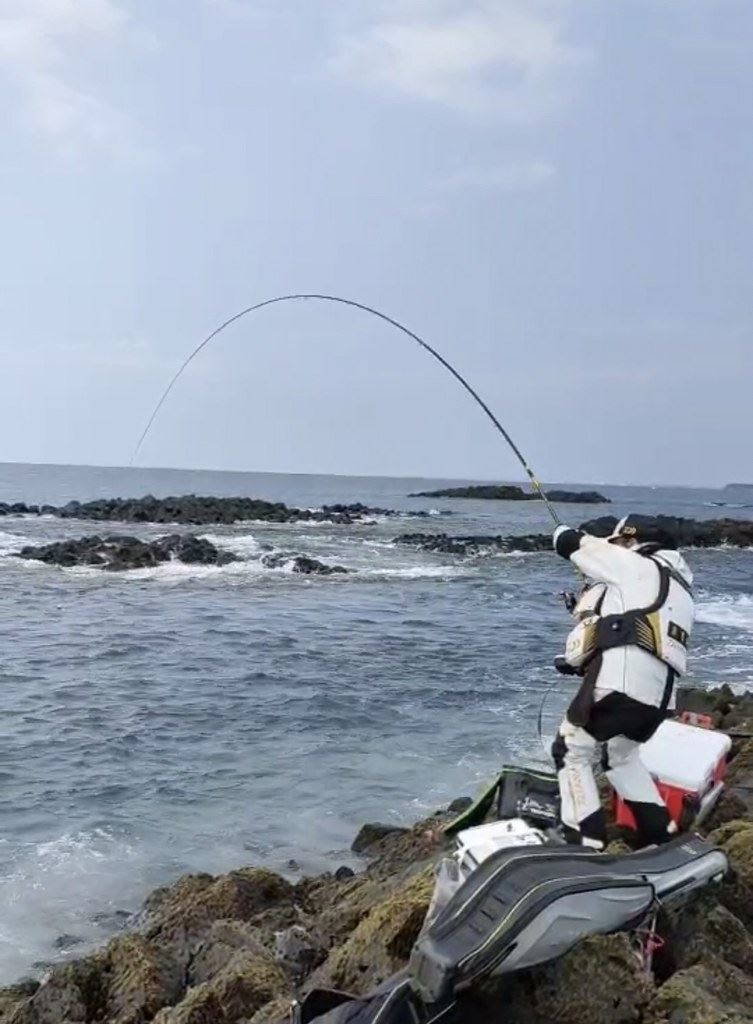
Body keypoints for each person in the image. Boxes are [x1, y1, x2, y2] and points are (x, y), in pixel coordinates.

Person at [551, 514, 695, 849]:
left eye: (618, 543)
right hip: (660, 699)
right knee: (621, 757)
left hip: (623, 686)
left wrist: (563, 532)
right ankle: (661, 838)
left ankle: (585, 844)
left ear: (631, 542)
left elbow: (571, 544)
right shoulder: (680, 589)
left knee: (570, 748)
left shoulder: (637, 567)